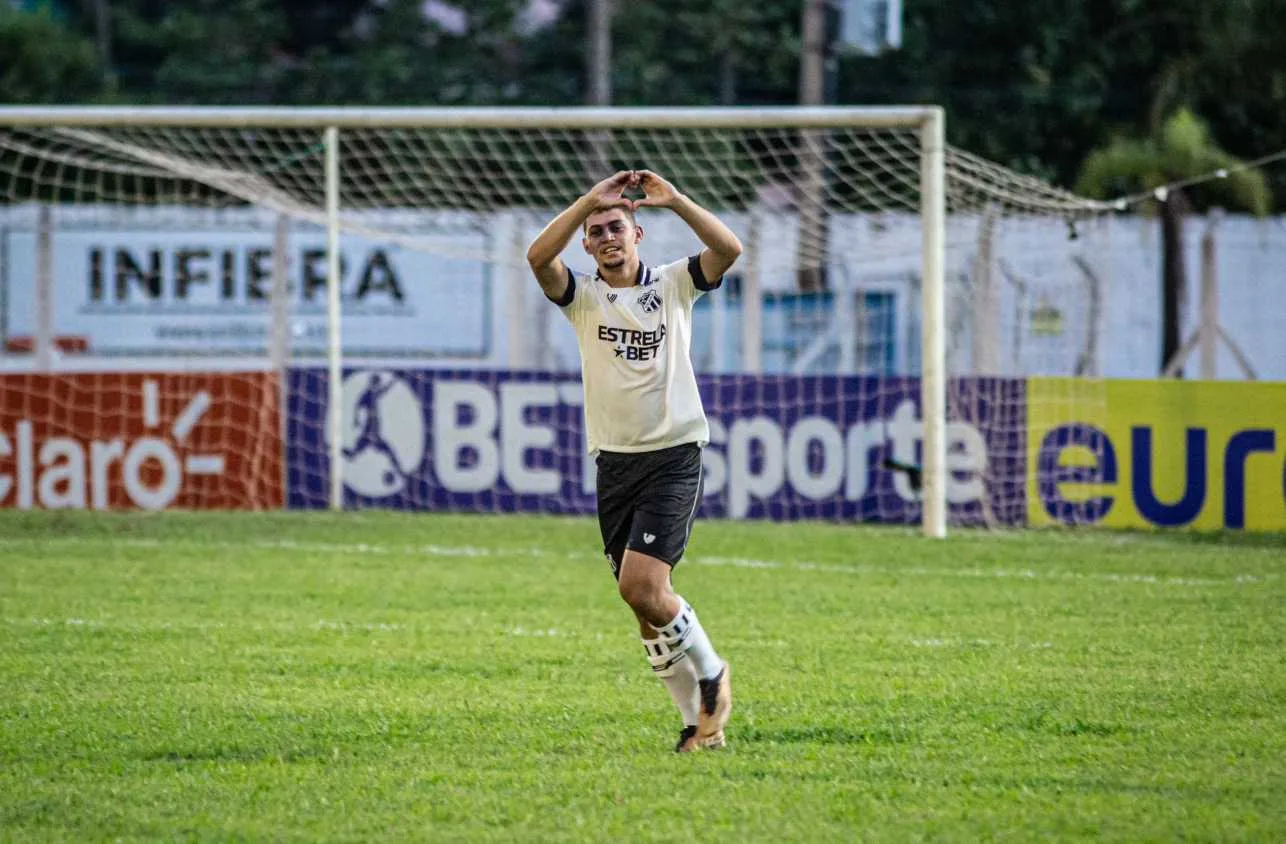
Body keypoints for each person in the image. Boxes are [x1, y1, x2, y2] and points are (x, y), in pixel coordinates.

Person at [526, 169, 743, 753]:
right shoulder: (583, 298)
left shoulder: (675, 284)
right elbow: (536, 257)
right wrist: (584, 203)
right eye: (596, 233)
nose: (606, 237)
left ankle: (712, 675)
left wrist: (677, 200)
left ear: (637, 232)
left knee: (643, 584)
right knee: (643, 610)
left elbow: (729, 249)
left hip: (672, 455)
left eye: (615, 227)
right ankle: (699, 728)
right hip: (613, 462)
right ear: (587, 245)